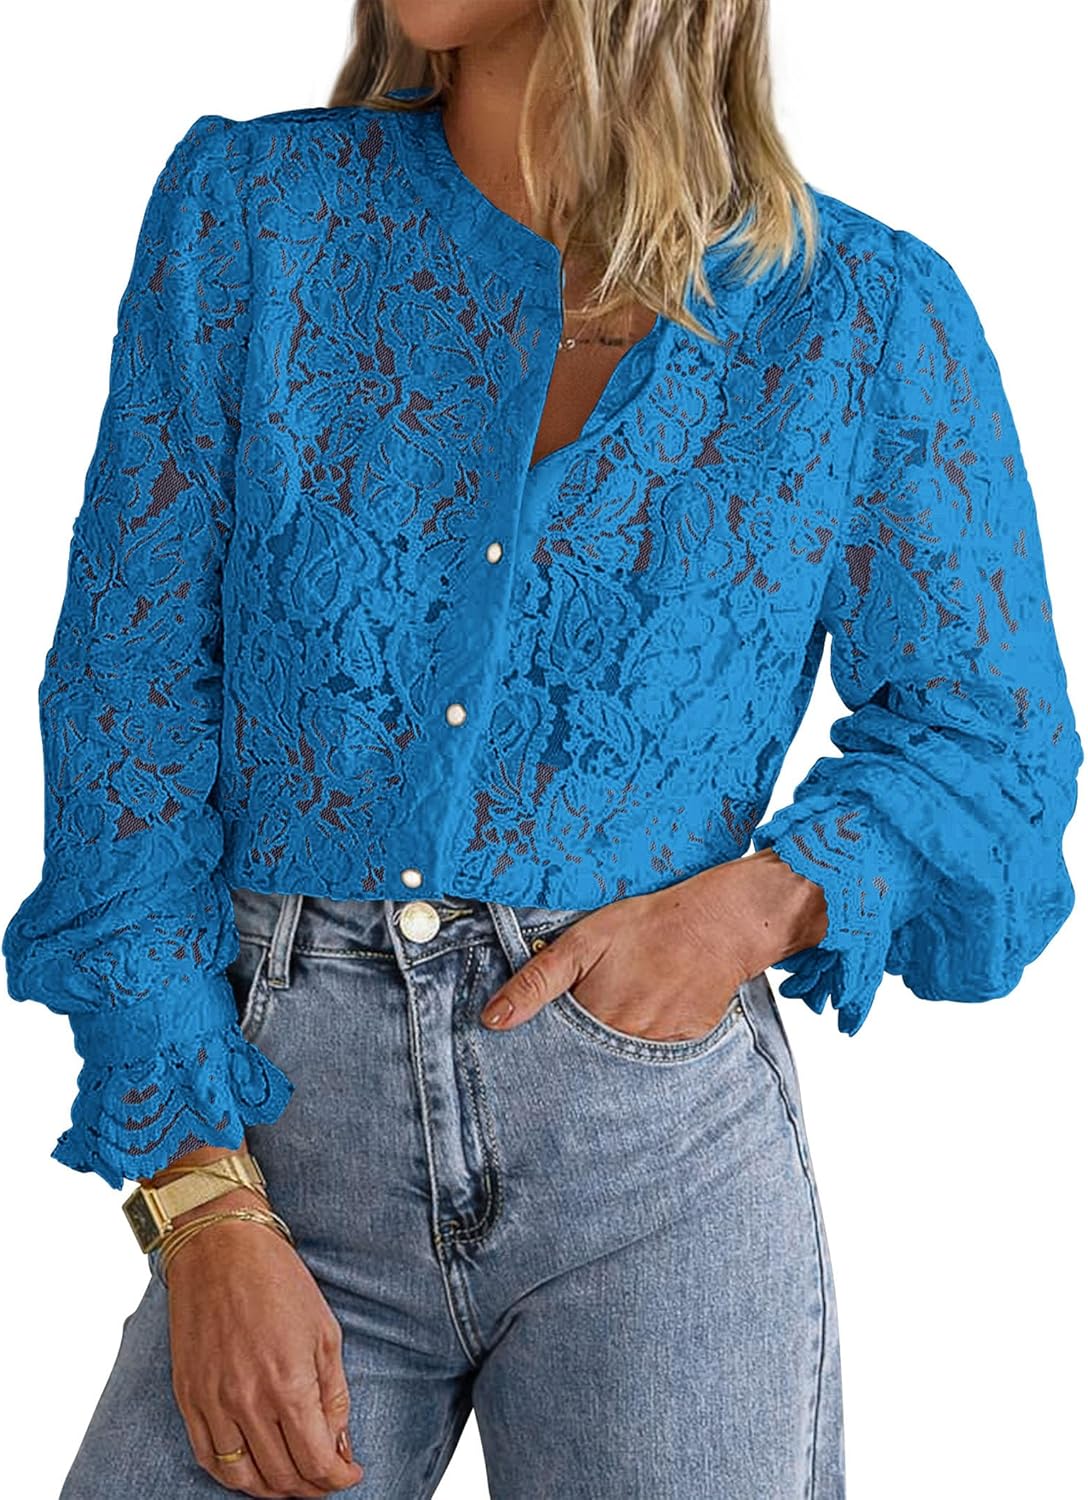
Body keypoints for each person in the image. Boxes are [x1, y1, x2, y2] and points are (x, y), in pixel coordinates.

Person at [3, 2, 1081, 1496]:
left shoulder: (861, 316)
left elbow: (993, 743)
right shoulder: (255, 216)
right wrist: (202, 1209)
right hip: (279, 1130)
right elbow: (123, 713)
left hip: (657, 1155)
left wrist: (751, 908)